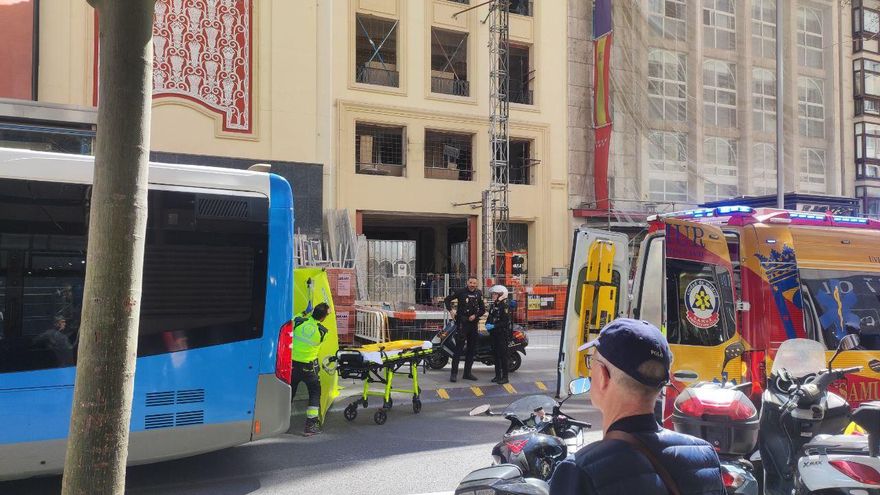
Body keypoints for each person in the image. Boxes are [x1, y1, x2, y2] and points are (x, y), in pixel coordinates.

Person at [550, 319, 724, 495]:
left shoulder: (579, 472)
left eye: (591, 362)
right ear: (660, 383)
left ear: (603, 376)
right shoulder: (705, 457)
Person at [291, 302, 330, 437]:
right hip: (309, 368)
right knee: (314, 393)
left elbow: (292, 319)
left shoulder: (298, 321)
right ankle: (311, 426)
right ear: (323, 317)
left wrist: (304, 311)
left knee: (289, 392)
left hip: (292, 365)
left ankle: (280, 421)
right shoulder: (323, 331)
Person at [443, 276, 485, 382]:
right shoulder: (460, 291)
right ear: (467, 282)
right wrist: (451, 311)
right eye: (471, 282)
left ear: (477, 284)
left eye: (474, 283)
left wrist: (475, 315)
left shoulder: (479, 293)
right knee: (458, 349)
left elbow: (483, 310)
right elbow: (447, 300)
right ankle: (454, 374)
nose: (472, 285)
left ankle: (467, 373)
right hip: (462, 324)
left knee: (471, 350)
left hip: (473, 324)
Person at [485, 284, 511, 385]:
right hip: (494, 335)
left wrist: (494, 326)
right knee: (495, 355)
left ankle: (505, 377)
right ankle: (497, 375)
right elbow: (490, 317)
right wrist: (487, 324)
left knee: (503, 356)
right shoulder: (494, 305)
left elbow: (505, 322)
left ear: (501, 294)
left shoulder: (504, 306)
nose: (493, 295)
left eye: (495, 294)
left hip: (502, 335)